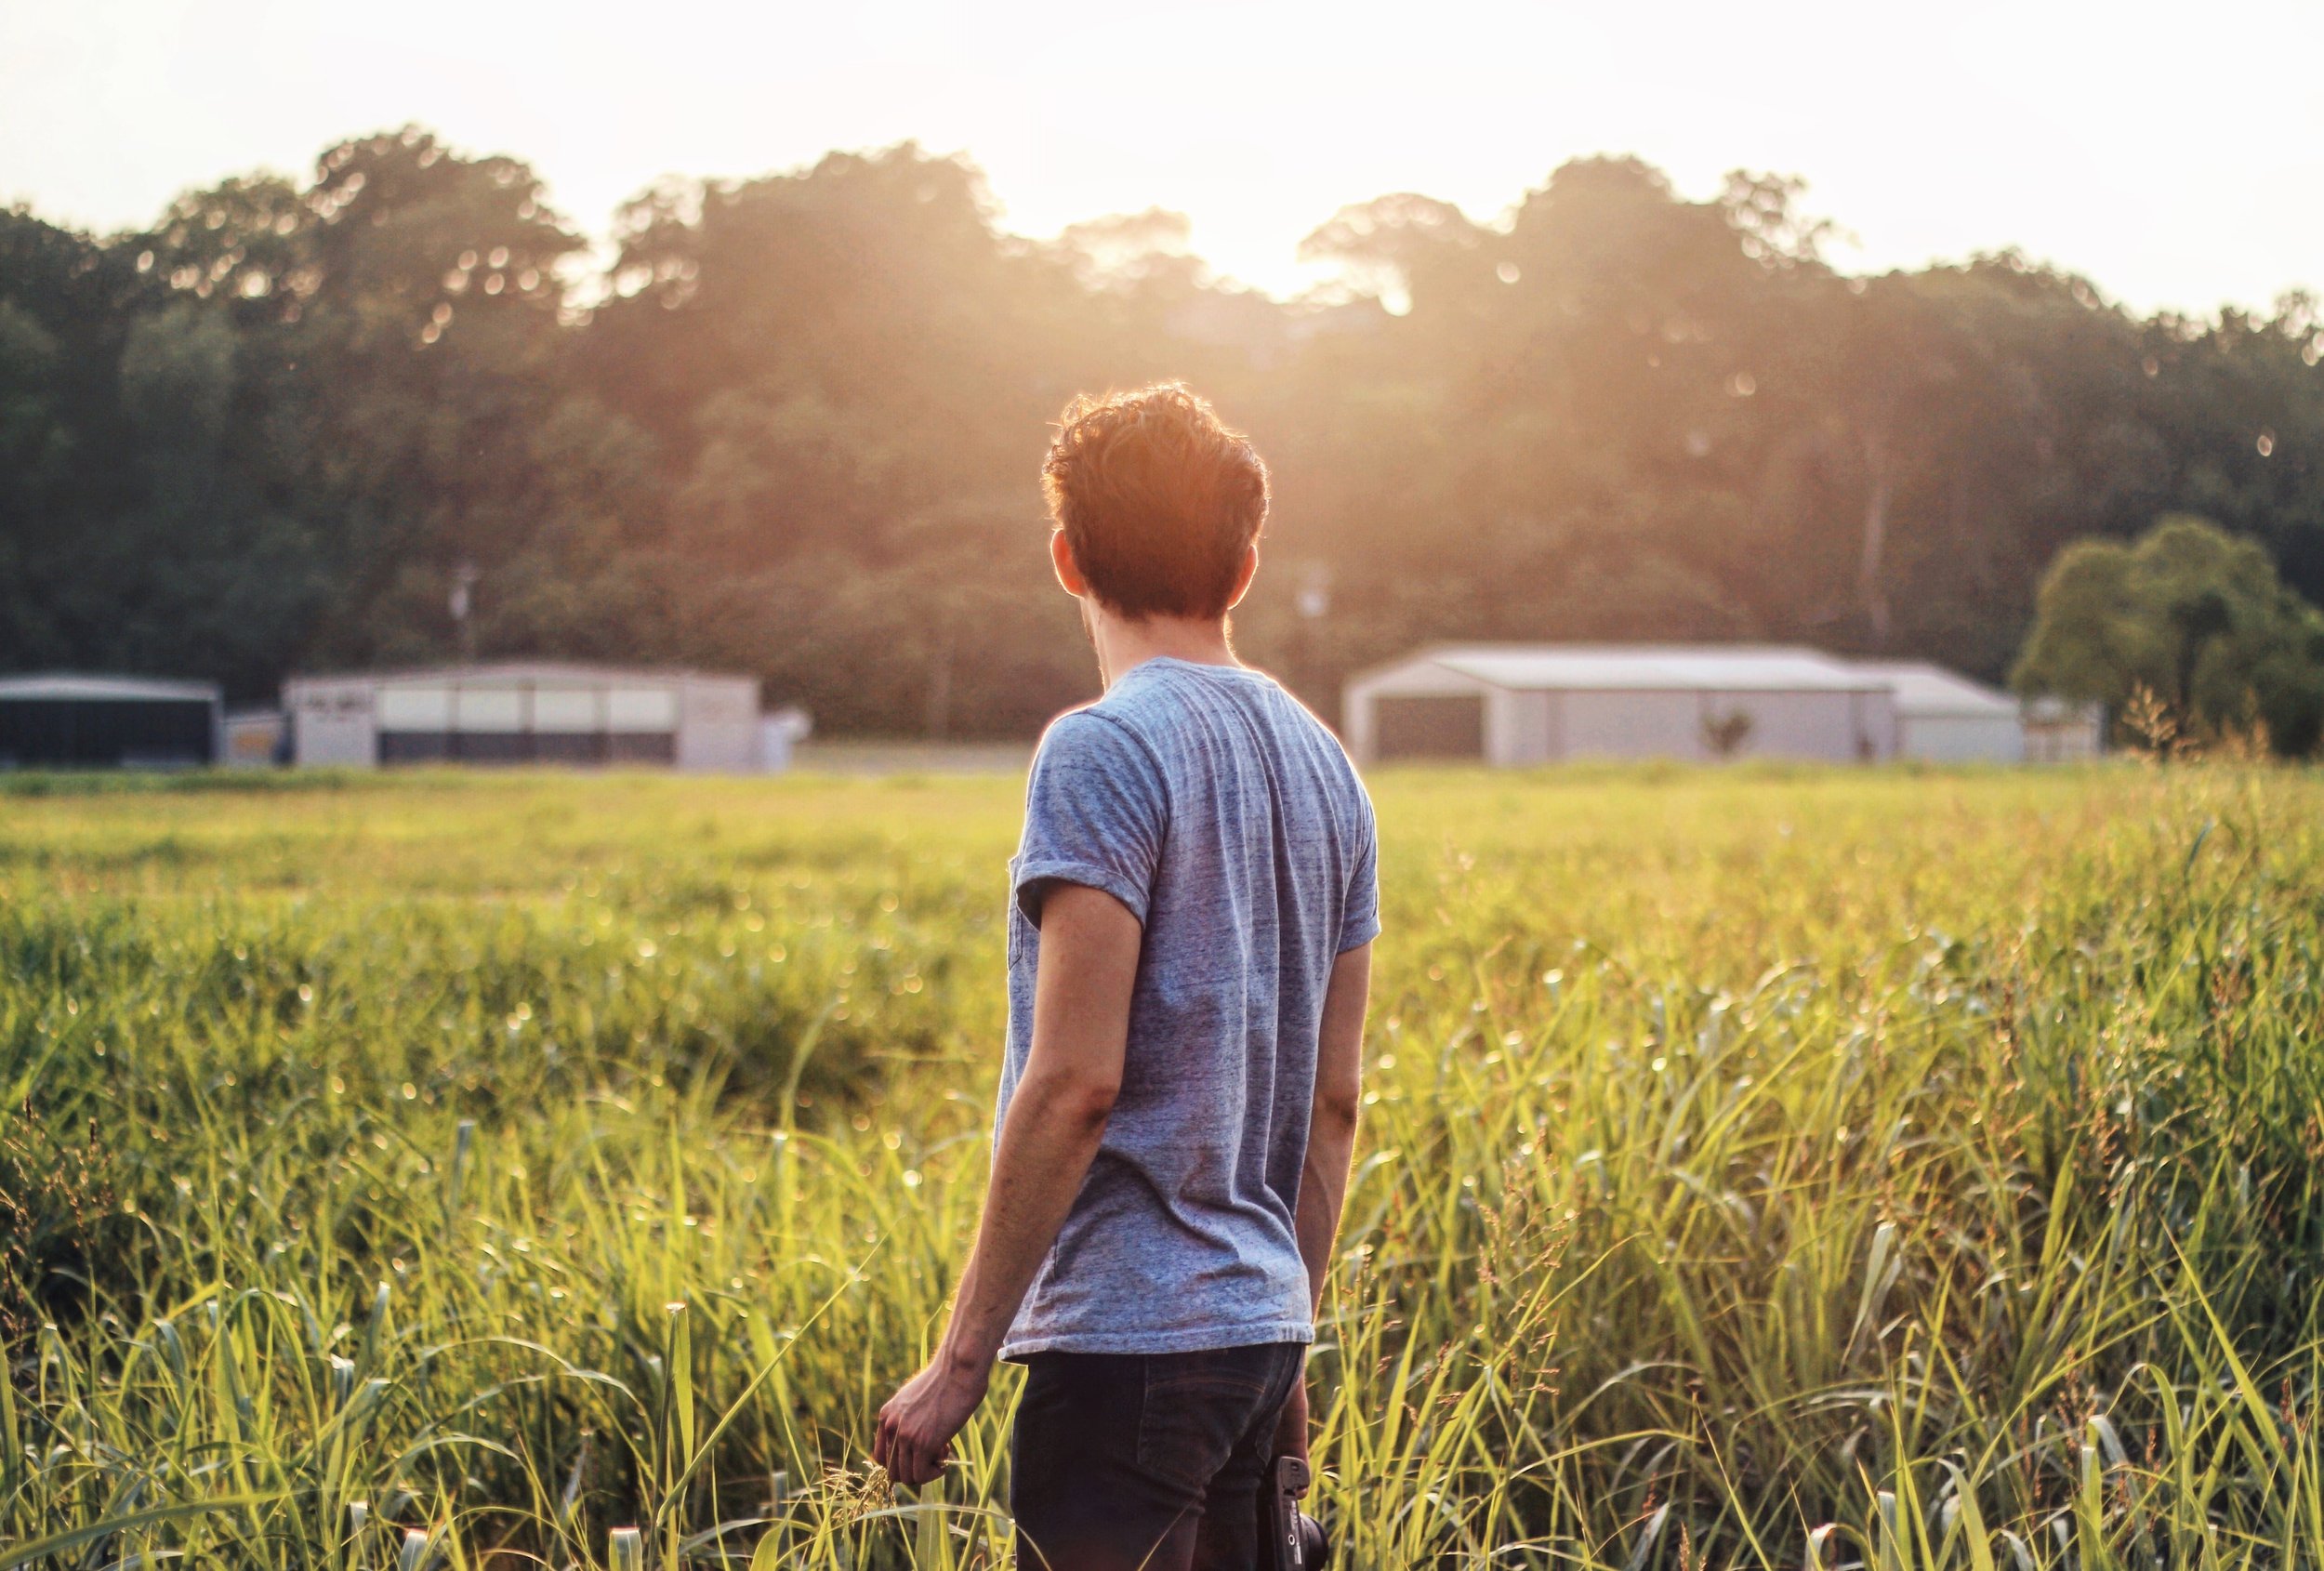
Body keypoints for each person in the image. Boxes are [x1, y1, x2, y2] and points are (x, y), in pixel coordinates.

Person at [871, 383, 1378, 1570]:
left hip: (1124, 1350)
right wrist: (1283, 1331)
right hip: (1255, 1341)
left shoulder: (1102, 747)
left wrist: (960, 1365)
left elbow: (1075, 1084)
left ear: (1065, 557)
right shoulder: (1329, 769)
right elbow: (1334, 1105)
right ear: (1244, 568)